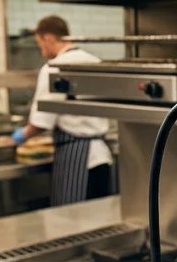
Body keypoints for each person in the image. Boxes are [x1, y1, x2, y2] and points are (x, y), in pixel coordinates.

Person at [12, 15, 112, 205]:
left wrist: (19, 137)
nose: (42, 51)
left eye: (40, 44)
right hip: (102, 158)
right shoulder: (95, 61)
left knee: (72, 225)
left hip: (78, 160)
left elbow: (42, 121)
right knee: (101, 222)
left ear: (48, 38)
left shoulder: (54, 67)